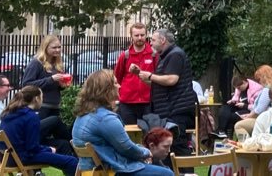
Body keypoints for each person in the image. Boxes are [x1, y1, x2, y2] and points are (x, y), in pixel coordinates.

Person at [72, 70, 176, 176]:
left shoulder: (82, 116)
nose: (119, 86)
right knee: (167, 173)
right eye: (116, 83)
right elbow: (127, 148)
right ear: (106, 89)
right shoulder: (105, 118)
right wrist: (146, 152)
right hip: (112, 170)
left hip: (91, 170)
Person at [137, 29, 197, 161]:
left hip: (176, 110)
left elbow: (172, 80)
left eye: (153, 40)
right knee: (168, 150)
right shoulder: (165, 56)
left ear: (162, 40)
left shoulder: (175, 55)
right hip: (167, 110)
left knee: (178, 148)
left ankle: (185, 173)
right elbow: (160, 83)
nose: (150, 43)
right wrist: (142, 76)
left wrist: (151, 76)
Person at [0, 86, 78, 176]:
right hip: (22, 157)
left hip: (7, 157)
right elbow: (32, 148)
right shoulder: (31, 116)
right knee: (72, 161)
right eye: (42, 97)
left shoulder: (9, 112)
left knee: (62, 144)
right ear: (36, 99)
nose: (42, 100)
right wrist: (49, 149)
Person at [113, 23, 157, 125]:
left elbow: (158, 76)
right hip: (127, 103)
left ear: (146, 35)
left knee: (150, 133)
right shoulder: (125, 56)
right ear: (131, 36)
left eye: (142, 35)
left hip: (148, 101)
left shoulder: (153, 55)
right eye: (136, 35)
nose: (140, 38)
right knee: (129, 132)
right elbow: (117, 77)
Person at [236, 65, 272, 137]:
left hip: (267, 120)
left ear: (264, 77)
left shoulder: (267, 89)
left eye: (259, 79)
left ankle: (247, 145)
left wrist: (248, 117)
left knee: (239, 126)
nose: (259, 82)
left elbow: (259, 110)